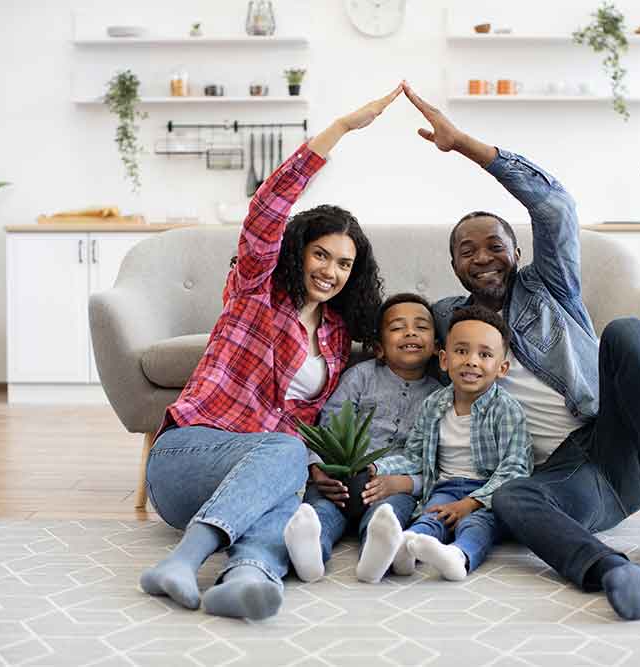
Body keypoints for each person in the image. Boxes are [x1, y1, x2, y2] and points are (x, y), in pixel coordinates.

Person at [400, 81, 640, 621]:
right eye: (467, 250)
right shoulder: (449, 318)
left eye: (495, 245)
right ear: (454, 265)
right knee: (511, 498)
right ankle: (618, 573)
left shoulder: (550, 288)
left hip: (614, 440)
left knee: (628, 333)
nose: (483, 258)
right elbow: (392, 344)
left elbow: (556, 207)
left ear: (517, 252)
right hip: (566, 477)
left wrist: (465, 146)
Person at [137, 85, 401, 620]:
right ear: (298, 252)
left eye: (344, 264)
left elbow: (304, 424)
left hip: (254, 475)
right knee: (283, 455)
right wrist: (341, 129)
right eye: (320, 255)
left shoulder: (332, 336)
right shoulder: (256, 290)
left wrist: (316, 467)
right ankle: (183, 561)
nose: (330, 270)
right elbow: (267, 206)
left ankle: (247, 575)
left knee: (295, 491)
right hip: (187, 458)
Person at [357, 305, 531, 583]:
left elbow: (515, 468)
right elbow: (413, 454)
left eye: (484, 355)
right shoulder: (434, 404)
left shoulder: (506, 410)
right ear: (444, 359)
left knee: (478, 525)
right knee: (429, 517)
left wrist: (470, 503)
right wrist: (379, 467)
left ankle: (458, 556)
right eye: (461, 351)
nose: (472, 361)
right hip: (444, 487)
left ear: (502, 368)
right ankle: (404, 550)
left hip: (487, 494)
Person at [283, 293, 442, 583]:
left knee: (389, 513)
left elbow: (432, 457)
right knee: (322, 511)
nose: (410, 332)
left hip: (394, 486)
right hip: (341, 477)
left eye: (421, 327)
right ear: (379, 348)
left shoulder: (440, 396)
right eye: (397, 327)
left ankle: (375, 551)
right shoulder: (361, 377)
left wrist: (403, 484)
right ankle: (311, 551)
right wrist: (319, 469)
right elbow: (329, 424)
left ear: (436, 348)